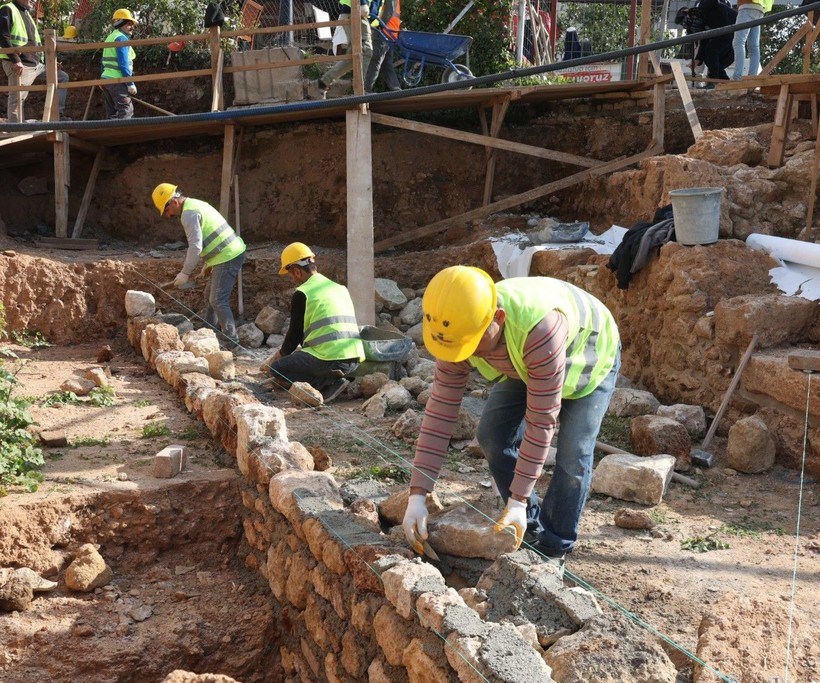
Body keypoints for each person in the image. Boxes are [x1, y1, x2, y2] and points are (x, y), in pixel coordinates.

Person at [402, 266, 621, 577]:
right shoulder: (458, 328)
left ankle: (554, 544)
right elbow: (439, 412)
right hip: (525, 360)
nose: (467, 354)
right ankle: (527, 524)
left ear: (498, 318)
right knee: (492, 435)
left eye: (473, 344)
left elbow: (541, 422)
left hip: (588, 355)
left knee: (574, 453)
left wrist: (515, 498)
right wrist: (418, 494)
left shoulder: (538, 328)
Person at [263, 242, 364, 403]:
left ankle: (328, 384)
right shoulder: (339, 288)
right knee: (300, 359)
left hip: (330, 359)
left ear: (296, 271)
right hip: (354, 359)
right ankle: (337, 377)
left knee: (279, 369)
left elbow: (294, 335)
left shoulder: (303, 293)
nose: (292, 279)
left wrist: (279, 356)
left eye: (290, 275)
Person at [151, 183, 246, 345]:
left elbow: (196, 245)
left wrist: (185, 272)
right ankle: (208, 331)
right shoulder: (195, 204)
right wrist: (207, 264)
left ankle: (231, 340)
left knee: (217, 299)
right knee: (210, 294)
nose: (168, 215)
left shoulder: (188, 214)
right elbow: (211, 235)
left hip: (228, 255)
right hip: (226, 253)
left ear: (174, 202)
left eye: (166, 210)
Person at [0, 0, 69, 122]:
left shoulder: (27, 14)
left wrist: (50, 63)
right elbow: (3, 36)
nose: (35, 0)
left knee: (62, 77)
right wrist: (16, 60)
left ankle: (57, 116)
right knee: (17, 98)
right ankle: (15, 128)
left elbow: (34, 44)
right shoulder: (8, 9)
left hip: (36, 64)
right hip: (21, 64)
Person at [312, 0, 372, 99]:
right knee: (365, 51)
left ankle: (324, 82)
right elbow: (365, 9)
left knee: (353, 55)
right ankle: (360, 90)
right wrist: (364, 5)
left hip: (354, 13)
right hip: (356, 13)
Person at [675, 0, 737, 86]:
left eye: (687, 20)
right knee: (710, 58)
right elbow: (704, 40)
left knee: (711, 51)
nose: (689, 24)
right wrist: (698, 59)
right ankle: (724, 81)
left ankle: (714, 82)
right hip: (725, 40)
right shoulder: (697, 27)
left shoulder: (704, 7)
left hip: (732, 27)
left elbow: (713, 2)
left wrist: (697, 8)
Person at [101, 8, 137, 120]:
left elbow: (103, 61)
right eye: (129, 24)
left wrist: (101, 78)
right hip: (117, 80)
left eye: (133, 24)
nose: (132, 27)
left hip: (107, 79)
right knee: (125, 110)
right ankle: (125, 135)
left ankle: (111, 136)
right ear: (120, 23)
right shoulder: (121, 39)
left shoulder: (111, 37)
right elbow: (123, 63)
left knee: (112, 113)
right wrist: (130, 83)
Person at [364, 0, 401, 94]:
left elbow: (387, 13)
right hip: (391, 33)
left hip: (384, 32)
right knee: (386, 65)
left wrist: (377, 26)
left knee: (374, 61)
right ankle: (397, 91)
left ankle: (365, 90)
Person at [732, 0, 773, 80]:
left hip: (746, 5)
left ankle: (737, 77)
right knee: (754, 46)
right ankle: (752, 77)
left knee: (738, 42)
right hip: (760, 8)